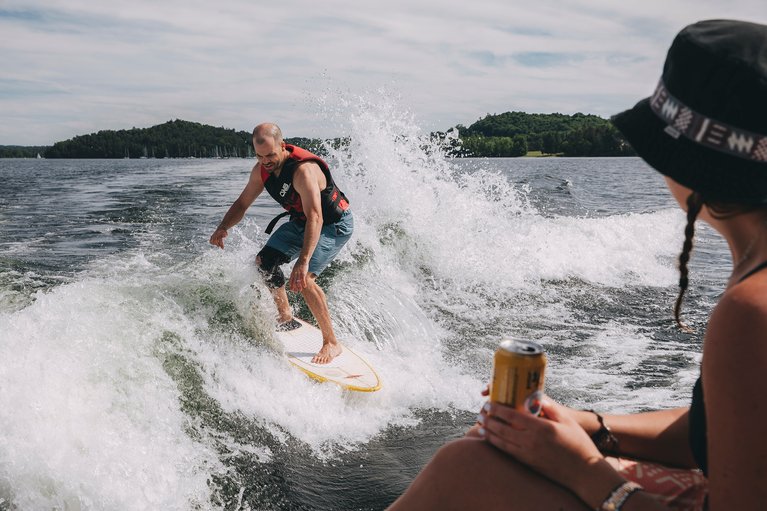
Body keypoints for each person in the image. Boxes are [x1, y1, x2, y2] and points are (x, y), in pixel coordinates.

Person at [387, 19, 767, 511]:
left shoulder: (751, 311)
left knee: (469, 468)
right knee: (487, 455)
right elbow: (724, 428)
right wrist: (590, 427)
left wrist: (583, 470)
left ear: (686, 164)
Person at [210, 123, 353, 364]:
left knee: (305, 280)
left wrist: (303, 261)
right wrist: (223, 227)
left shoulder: (303, 171)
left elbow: (316, 217)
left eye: (270, 155)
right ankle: (285, 315)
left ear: (283, 146)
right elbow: (242, 203)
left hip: (332, 224)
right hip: (301, 221)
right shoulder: (261, 171)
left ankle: (331, 342)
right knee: (264, 262)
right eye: (259, 156)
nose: (265, 161)